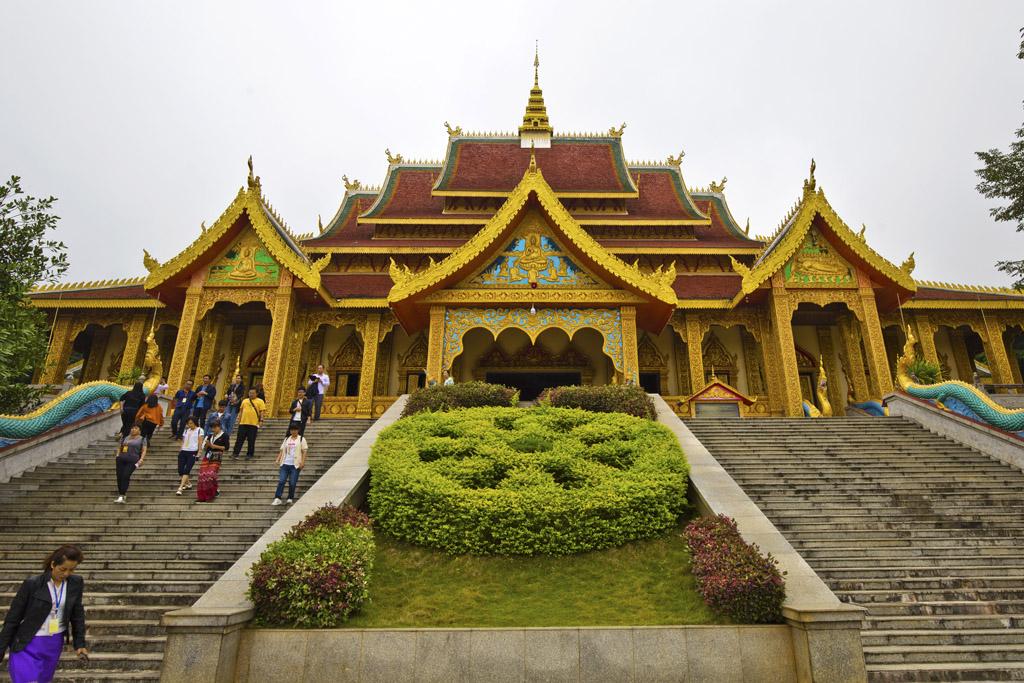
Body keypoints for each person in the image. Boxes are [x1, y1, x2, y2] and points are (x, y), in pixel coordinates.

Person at [0, 546, 88, 681]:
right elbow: (13, 618)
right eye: (63, 569)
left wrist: (80, 643)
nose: (66, 574)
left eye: (71, 570)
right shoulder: (33, 584)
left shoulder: (75, 583)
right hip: (27, 643)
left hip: (53, 642)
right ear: (53, 564)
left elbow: (77, 615)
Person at [272, 423, 307, 505]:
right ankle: (277, 497)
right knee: (281, 481)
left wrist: (303, 462)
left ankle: (290, 497)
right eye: (292, 430)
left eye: (295, 430)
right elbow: (282, 450)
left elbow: (304, 451)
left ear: (298, 430)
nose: (293, 431)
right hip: (285, 463)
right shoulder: (287, 439)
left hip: (295, 464)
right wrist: (278, 459)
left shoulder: (301, 439)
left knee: (292, 482)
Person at [113, 423, 146, 504]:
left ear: (139, 430)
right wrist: (117, 456)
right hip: (121, 459)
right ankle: (121, 494)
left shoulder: (142, 439)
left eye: (135, 428)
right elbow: (119, 447)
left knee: (126, 475)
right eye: (132, 428)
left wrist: (141, 459)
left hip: (133, 460)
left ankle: (122, 495)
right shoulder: (125, 437)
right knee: (119, 476)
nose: (133, 429)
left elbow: (144, 450)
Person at [197, 420, 228, 502]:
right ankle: (203, 495)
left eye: (215, 427)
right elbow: (205, 448)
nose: (213, 429)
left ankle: (211, 493)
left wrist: (214, 446)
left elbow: (226, 447)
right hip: (207, 456)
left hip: (217, 456)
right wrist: (207, 445)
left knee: (211, 474)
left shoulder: (224, 435)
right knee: (202, 475)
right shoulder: (209, 436)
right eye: (212, 428)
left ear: (219, 427)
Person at [232, 388, 266, 460]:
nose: (251, 394)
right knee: (239, 439)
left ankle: (250, 454)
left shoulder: (260, 401)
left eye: (253, 393)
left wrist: (261, 421)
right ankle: (235, 453)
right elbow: (241, 411)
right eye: (250, 393)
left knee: (251, 440)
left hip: (253, 424)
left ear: (256, 394)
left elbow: (262, 412)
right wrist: (239, 420)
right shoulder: (245, 401)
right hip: (243, 423)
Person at [176, 416, 203, 496]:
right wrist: (181, 449)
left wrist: (199, 452)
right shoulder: (187, 430)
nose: (189, 425)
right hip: (184, 451)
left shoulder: (199, 430)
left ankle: (180, 488)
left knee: (187, 470)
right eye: (188, 423)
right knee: (180, 470)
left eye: (191, 423)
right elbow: (184, 440)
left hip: (192, 452)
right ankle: (188, 484)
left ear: (195, 422)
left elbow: (200, 442)